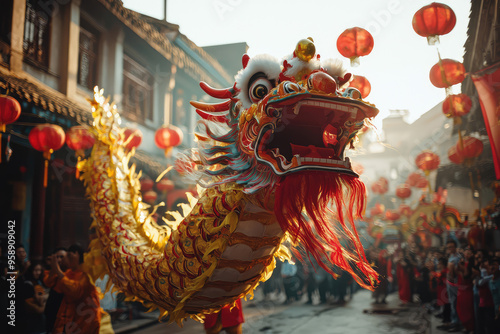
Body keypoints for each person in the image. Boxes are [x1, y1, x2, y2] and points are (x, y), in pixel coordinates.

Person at [44, 244, 102, 333]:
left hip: (85, 321)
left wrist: (57, 270)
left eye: (69, 256)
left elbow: (75, 291)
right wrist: (54, 268)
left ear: (77, 255)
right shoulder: (68, 273)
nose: (65, 259)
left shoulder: (86, 276)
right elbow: (50, 283)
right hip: (69, 321)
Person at [43, 247, 67, 333]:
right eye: (57, 257)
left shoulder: (71, 273)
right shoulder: (51, 271)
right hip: (52, 309)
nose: (59, 260)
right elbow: (48, 282)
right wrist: (54, 267)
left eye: (62, 257)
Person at [445, 240, 463, 332]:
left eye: (451, 247)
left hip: (455, 283)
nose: (450, 249)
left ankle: (457, 322)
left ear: (455, 247)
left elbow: (457, 272)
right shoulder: (451, 256)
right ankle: (454, 320)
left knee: (455, 303)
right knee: (452, 303)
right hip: (449, 283)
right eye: (448, 247)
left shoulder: (458, 257)